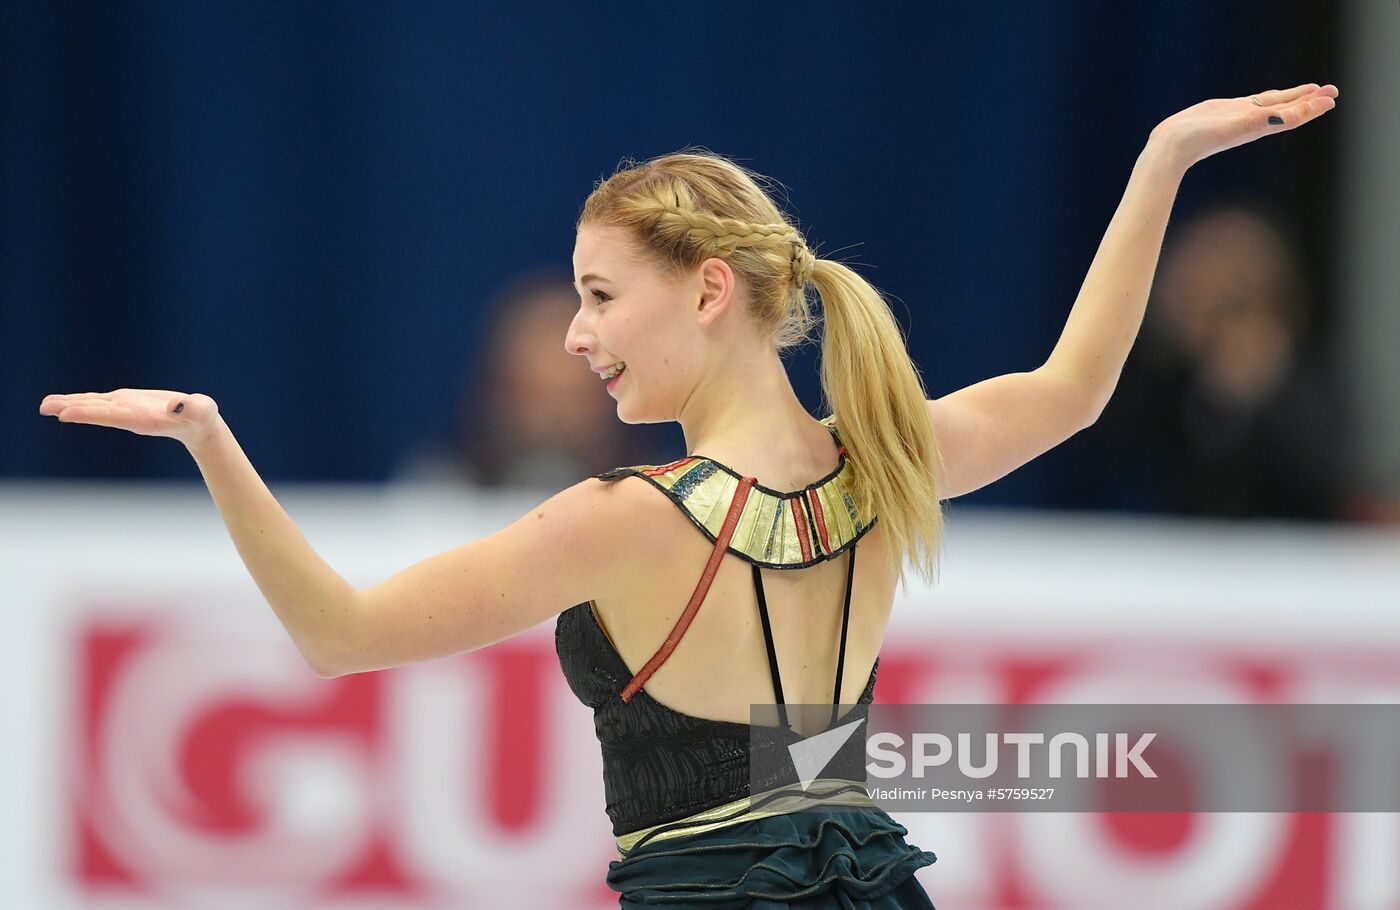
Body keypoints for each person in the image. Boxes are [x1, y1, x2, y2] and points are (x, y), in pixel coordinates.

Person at [39, 82, 1338, 907]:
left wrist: (212, 442)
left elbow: (338, 632)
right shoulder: (881, 461)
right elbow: (1075, 388)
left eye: (600, 296)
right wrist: (1163, 154)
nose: (574, 336)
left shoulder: (624, 518)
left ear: (708, 290)